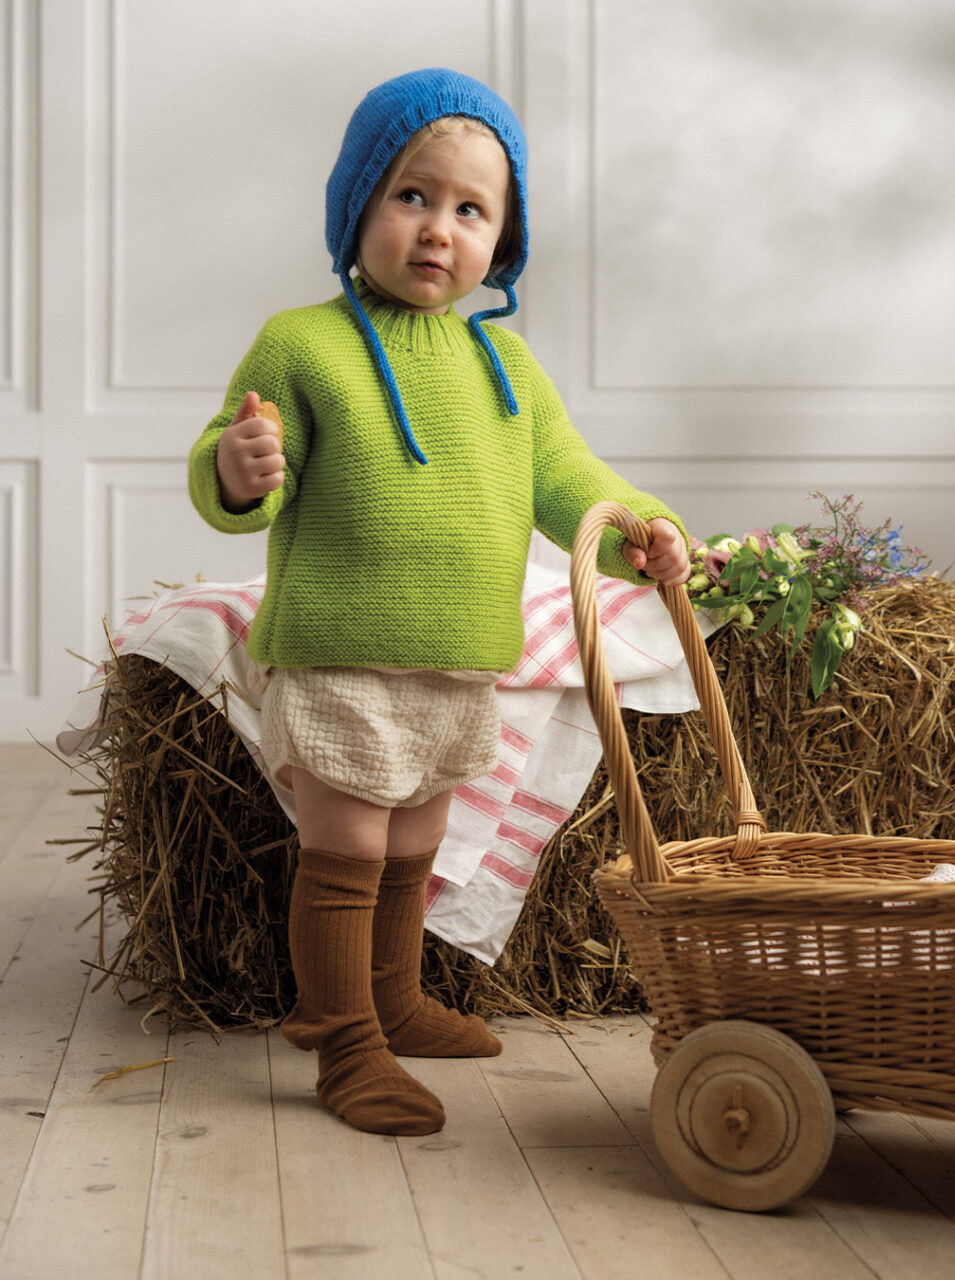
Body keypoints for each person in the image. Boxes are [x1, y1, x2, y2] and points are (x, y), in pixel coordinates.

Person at [189, 68, 690, 1137]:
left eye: (472, 211)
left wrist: (638, 526)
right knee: (349, 850)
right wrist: (239, 467)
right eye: (412, 197)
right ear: (358, 202)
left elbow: (566, 474)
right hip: (338, 654)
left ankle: (398, 996)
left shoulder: (503, 363)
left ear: (500, 241)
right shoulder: (303, 343)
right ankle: (343, 1039)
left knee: (414, 844)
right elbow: (231, 484)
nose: (437, 230)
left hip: (459, 659)